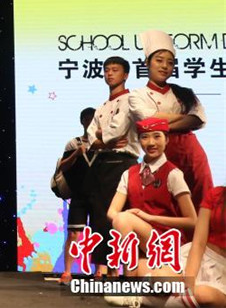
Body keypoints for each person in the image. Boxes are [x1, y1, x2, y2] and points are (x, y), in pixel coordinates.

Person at [103, 117, 197, 306]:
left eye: (157, 136)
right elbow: (112, 212)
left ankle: (129, 289)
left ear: (167, 139)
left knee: (124, 220)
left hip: (169, 246)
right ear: (139, 140)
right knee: (147, 279)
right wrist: (129, 220)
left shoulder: (173, 174)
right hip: (144, 246)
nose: (151, 142)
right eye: (145, 137)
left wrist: (149, 218)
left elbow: (192, 220)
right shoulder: (129, 174)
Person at [129, 30, 214, 212]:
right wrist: (184, 118)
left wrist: (161, 124)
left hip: (191, 152)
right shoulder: (137, 95)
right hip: (160, 151)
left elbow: (199, 119)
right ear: (147, 63)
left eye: (170, 62)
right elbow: (147, 119)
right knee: (165, 201)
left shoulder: (184, 92)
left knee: (202, 197)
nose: (165, 66)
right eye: (159, 60)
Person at [84, 56, 141, 278]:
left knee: (118, 216)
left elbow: (117, 131)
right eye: (106, 70)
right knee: (99, 215)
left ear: (125, 74)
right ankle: (105, 269)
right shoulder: (102, 106)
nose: (109, 73)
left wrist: (102, 136)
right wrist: (102, 140)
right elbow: (91, 136)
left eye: (115, 70)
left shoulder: (130, 100)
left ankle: (124, 271)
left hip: (122, 162)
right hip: (101, 162)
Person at [165, 185, 226, 308]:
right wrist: (189, 281)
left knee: (202, 295)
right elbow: (198, 243)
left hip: (222, 274)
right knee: (160, 279)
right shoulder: (216, 194)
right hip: (199, 257)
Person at [58, 107, 96, 284]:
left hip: (99, 195)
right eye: (87, 119)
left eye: (93, 119)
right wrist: (76, 154)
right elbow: (62, 167)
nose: (90, 122)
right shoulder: (73, 143)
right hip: (79, 195)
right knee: (74, 233)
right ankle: (67, 272)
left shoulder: (104, 143)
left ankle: (99, 272)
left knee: (99, 234)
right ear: (82, 122)